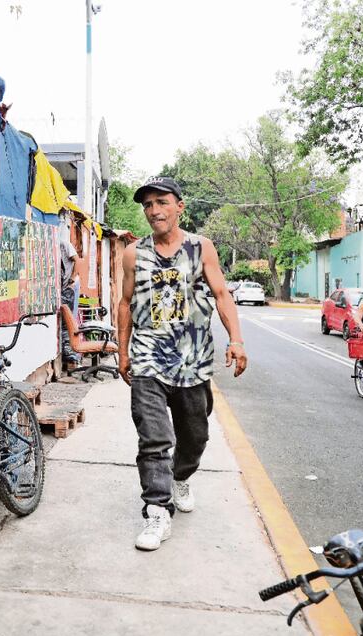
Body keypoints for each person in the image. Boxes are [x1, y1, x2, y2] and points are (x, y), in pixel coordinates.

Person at [118, 176, 247, 551]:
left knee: (195, 435)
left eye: (161, 202)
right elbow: (125, 303)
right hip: (148, 358)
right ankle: (157, 511)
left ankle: (181, 476)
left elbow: (222, 294)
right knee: (154, 438)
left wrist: (236, 340)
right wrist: (123, 351)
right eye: (148, 205)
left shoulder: (201, 248)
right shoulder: (133, 253)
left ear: (179, 207)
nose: (154, 211)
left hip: (193, 361)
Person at [59, 229, 81, 365]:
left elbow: (77, 260)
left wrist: (72, 278)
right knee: (62, 319)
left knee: (69, 318)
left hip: (71, 285)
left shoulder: (64, 244)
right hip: (62, 287)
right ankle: (67, 353)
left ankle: (71, 354)